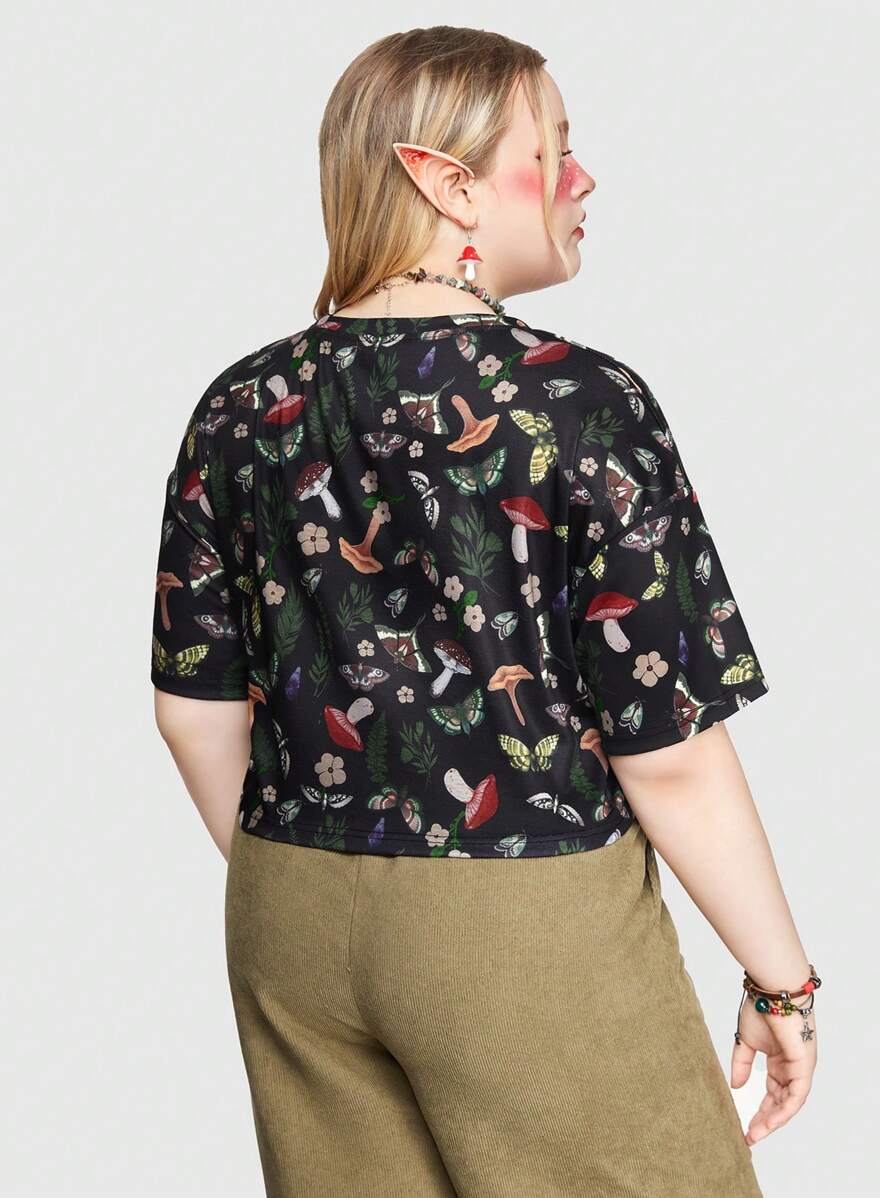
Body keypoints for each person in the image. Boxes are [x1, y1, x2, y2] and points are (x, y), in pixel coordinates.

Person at [150, 26, 819, 1198]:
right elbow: (668, 753)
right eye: (553, 148)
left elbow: (192, 711)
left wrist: (329, 881)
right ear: (447, 182)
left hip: (287, 913)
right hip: (520, 918)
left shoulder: (238, 406)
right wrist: (781, 983)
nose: (583, 178)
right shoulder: (578, 401)